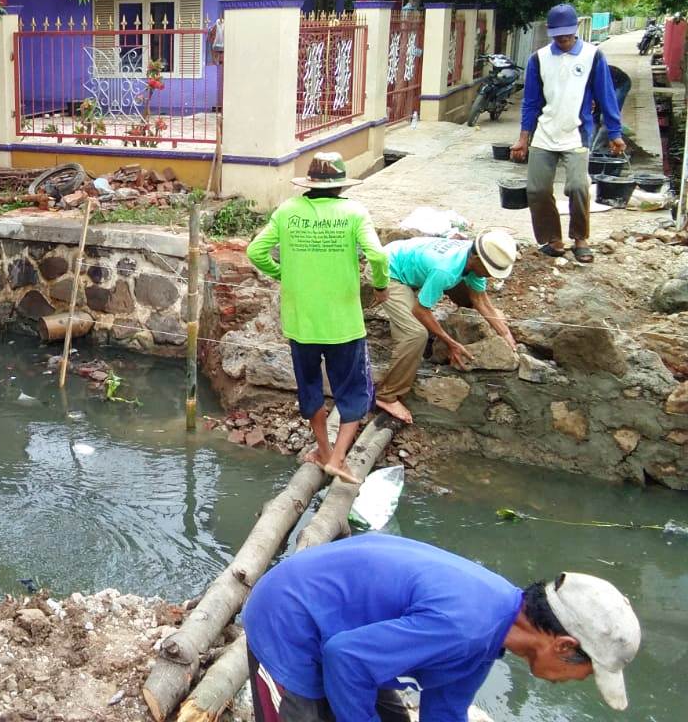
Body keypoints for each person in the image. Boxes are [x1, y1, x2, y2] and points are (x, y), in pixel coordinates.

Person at [242, 533, 641, 722]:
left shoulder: (496, 625)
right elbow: (344, 657)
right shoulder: (467, 625)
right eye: (583, 673)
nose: (570, 682)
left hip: (351, 631)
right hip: (291, 620)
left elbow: (446, 709)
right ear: (564, 645)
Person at [246, 153, 389, 484]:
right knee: (353, 391)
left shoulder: (288, 211)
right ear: (340, 185)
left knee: (310, 389)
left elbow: (254, 252)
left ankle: (323, 451)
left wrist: (282, 273)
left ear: (309, 183)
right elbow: (379, 255)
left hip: (301, 322)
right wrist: (380, 285)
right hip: (343, 323)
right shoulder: (353, 212)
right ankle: (338, 459)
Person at [510, 4, 624, 264]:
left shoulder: (593, 56)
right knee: (537, 189)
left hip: (577, 133)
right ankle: (553, 239)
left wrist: (615, 132)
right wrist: (523, 138)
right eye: (558, 35)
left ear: (575, 30)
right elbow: (530, 102)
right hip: (545, 133)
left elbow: (606, 96)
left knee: (578, 186)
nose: (563, 39)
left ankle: (580, 238)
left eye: (567, 35)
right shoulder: (538, 59)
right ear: (551, 32)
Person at [376, 232, 517, 423]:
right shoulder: (446, 269)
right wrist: (450, 343)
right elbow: (421, 310)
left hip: (410, 260)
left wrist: (506, 334)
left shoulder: (472, 258)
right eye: (489, 269)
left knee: (467, 297)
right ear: (475, 258)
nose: (491, 275)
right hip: (387, 270)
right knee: (416, 334)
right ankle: (386, 395)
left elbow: (479, 298)